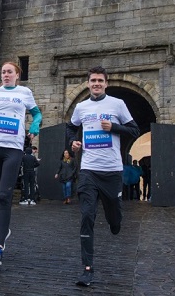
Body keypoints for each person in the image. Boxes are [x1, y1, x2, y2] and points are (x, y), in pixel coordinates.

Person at [66, 66, 140, 286]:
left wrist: (114, 127)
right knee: (87, 216)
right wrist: (73, 143)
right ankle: (87, 269)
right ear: (88, 83)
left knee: (114, 217)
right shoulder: (81, 107)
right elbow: (70, 128)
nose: (96, 84)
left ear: (106, 83)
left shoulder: (117, 104)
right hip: (89, 169)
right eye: (93, 80)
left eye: (100, 80)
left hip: (112, 171)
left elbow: (134, 130)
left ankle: (115, 221)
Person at [0, 61, 42, 266]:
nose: (5, 75)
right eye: (3, 72)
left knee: (5, 195)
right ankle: (4, 227)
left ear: (17, 75)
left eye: (9, 72)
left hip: (13, 149)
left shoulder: (24, 92)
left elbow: (37, 113)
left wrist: (35, 125)